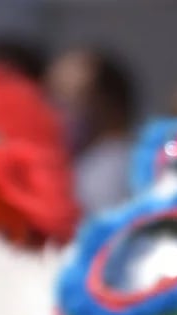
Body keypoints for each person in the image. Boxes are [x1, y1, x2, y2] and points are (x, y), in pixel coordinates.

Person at [46, 47, 137, 214]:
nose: (59, 109)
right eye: (54, 95)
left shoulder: (114, 169)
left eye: (72, 96)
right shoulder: (88, 160)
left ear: (110, 102)